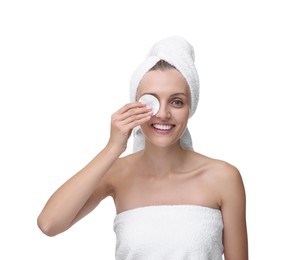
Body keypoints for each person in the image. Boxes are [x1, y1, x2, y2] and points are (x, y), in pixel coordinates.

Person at [37, 36, 248, 259]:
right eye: (151, 102)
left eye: (177, 101)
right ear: (134, 105)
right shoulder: (117, 174)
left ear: (190, 107)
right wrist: (113, 147)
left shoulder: (223, 178)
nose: (163, 114)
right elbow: (49, 224)